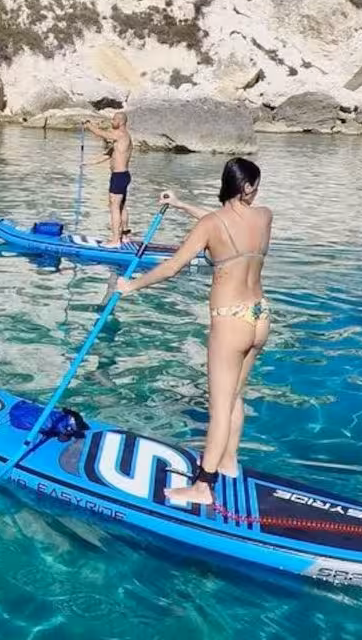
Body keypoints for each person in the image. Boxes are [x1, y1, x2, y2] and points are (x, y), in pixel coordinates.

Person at [114, 157, 271, 507]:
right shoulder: (264, 216)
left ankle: (204, 485)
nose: (258, 191)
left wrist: (131, 286)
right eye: (256, 185)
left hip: (230, 321)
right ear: (246, 188)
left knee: (218, 407)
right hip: (260, 317)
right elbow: (221, 221)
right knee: (235, 397)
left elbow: (172, 266)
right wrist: (182, 203)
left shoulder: (213, 225)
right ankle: (228, 462)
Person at [83, 112, 133, 246]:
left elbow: (102, 134)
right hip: (123, 176)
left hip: (119, 176)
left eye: (114, 119)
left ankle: (116, 240)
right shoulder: (122, 139)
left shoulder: (121, 134)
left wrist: (90, 126)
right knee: (121, 206)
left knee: (114, 206)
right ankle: (125, 236)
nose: (112, 121)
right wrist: (88, 163)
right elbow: (108, 155)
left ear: (121, 121)